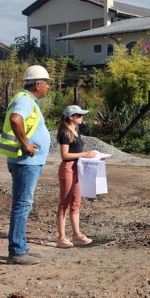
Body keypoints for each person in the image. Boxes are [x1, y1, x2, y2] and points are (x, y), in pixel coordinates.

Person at [0, 65, 52, 265]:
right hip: (25, 161)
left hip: (28, 161)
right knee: (22, 204)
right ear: (38, 84)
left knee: (23, 204)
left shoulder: (28, 100)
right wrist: (26, 144)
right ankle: (17, 251)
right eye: (46, 83)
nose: (48, 87)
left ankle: (21, 247)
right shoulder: (25, 100)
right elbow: (15, 119)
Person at [56, 105, 97, 248]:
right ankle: (61, 237)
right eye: (79, 115)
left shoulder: (75, 131)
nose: (82, 117)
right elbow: (65, 155)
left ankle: (76, 235)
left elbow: (75, 150)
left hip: (77, 168)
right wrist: (84, 154)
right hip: (68, 168)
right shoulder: (65, 133)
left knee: (76, 203)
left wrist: (87, 154)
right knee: (64, 204)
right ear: (71, 117)